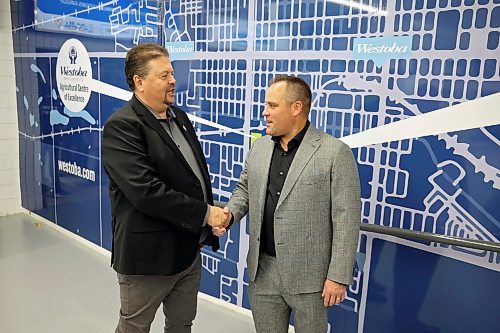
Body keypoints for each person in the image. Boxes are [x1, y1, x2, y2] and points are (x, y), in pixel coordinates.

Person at [102, 43, 229, 333]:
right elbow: (146, 192)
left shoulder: (179, 118)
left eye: (172, 73)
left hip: (187, 252)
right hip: (148, 259)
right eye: (164, 75)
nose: (173, 80)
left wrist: (208, 218)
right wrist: (205, 214)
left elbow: (192, 178)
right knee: (135, 328)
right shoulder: (122, 126)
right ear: (139, 82)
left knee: (182, 325)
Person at [220, 75, 361, 332]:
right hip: (262, 272)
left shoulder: (334, 152)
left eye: (272, 106)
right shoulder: (260, 147)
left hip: (311, 278)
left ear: (296, 108)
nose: (265, 113)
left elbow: (347, 219)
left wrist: (338, 277)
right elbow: (244, 189)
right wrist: (230, 215)